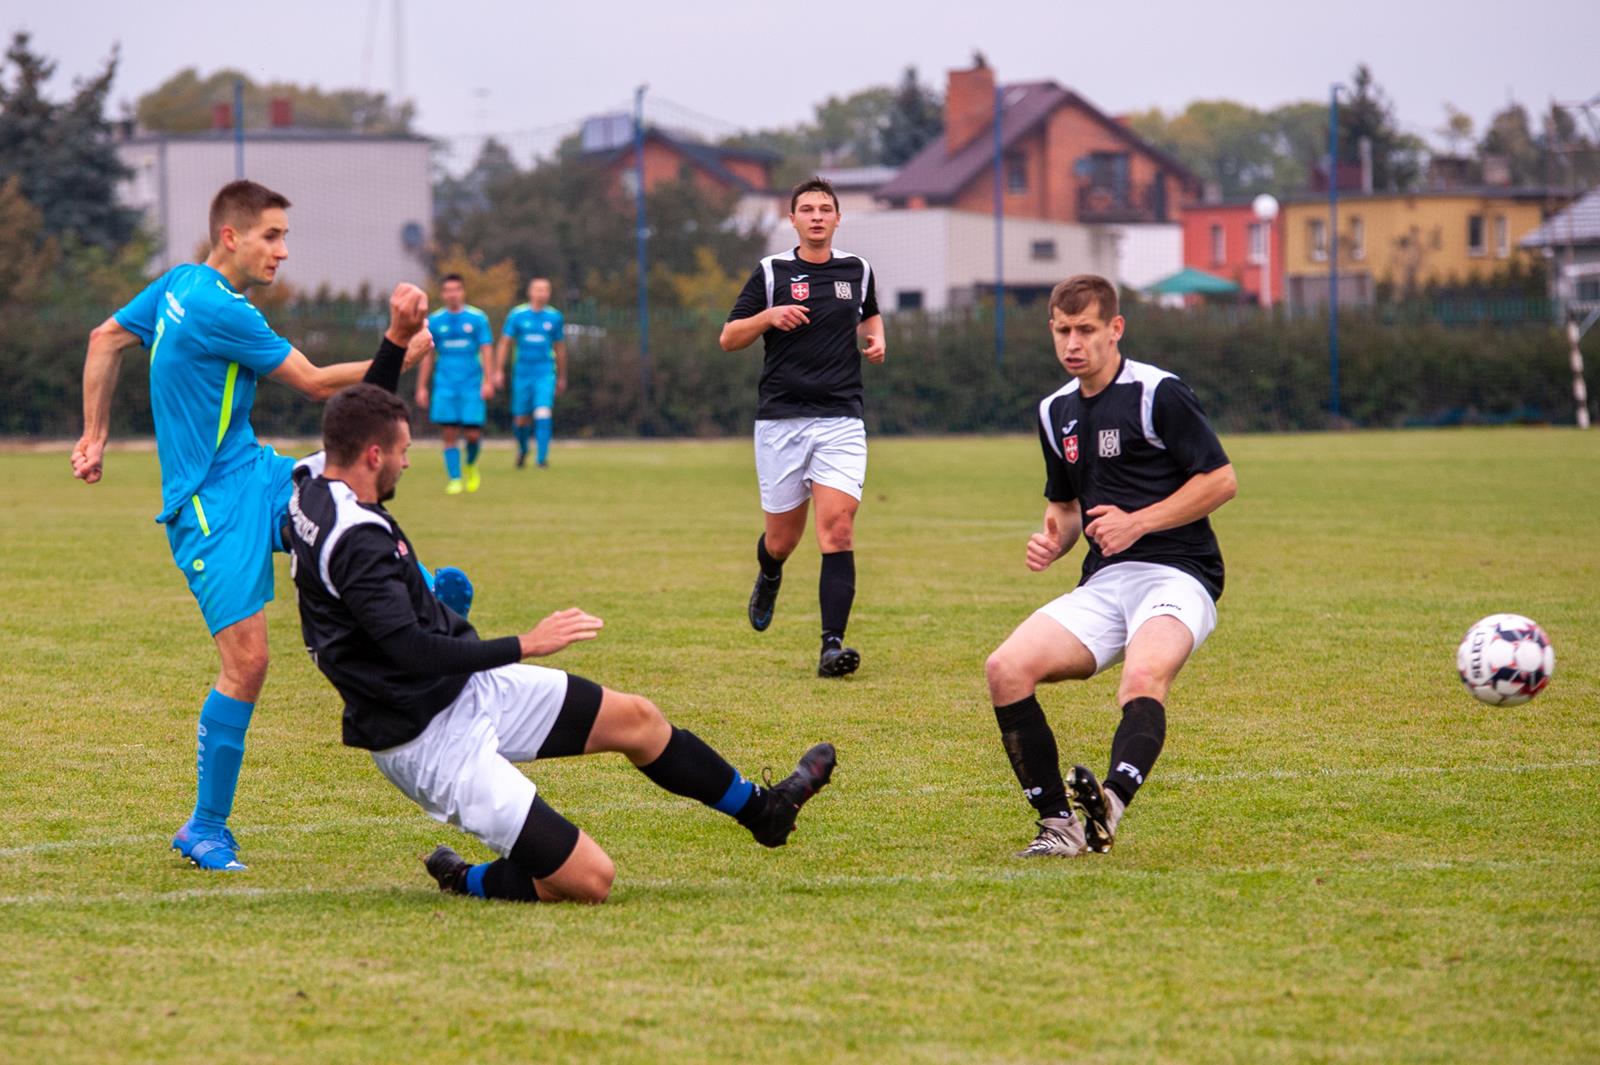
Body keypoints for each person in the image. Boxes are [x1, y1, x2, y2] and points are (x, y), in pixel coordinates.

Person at [287, 384, 837, 903]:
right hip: (427, 740)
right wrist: (525, 643)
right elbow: (410, 650)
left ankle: (764, 812)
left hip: (463, 687)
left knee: (638, 720)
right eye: (404, 450)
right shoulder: (357, 541)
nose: (409, 461)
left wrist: (398, 341)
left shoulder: (315, 481)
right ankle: (466, 878)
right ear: (374, 454)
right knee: (591, 880)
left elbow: (357, 420)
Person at [72, 179, 434, 871]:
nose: (284, 251)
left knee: (350, 492)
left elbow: (105, 337)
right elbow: (319, 383)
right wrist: (397, 351)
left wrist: (94, 436)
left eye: (284, 237)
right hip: (210, 507)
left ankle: (429, 600)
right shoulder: (221, 310)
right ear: (231, 237)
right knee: (248, 662)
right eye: (271, 236)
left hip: (255, 473)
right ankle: (205, 827)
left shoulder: (179, 283)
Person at [983, 275, 1237, 858]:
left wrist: (1140, 521)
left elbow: (1222, 480)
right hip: (1106, 581)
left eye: (1087, 330)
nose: (1074, 343)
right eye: (1063, 331)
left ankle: (1112, 801)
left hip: (1179, 575)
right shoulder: (1055, 412)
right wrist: (1054, 541)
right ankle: (1060, 826)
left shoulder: (1157, 393)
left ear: (1115, 329)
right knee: (1006, 669)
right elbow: (1067, 508)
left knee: (1142, 679)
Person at [720, 176, 885, 678]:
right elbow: (729, 338)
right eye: (807, 209)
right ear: (791, 219)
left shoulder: (857, 269)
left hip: (841, 419)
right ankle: (770, 572)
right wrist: (769, 316)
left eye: (825, 209)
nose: (816, 216)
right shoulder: (772, 271)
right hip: (781, 422)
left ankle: (831, 646)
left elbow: (871, 317)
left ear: (838, 218)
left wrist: (876, 341)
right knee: (782, 541)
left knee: (837, 529)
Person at [414, 274, 494, 494]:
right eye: (448, 290)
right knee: (449, 432)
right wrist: (422, 386)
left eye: (456, 289)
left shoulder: (478, 318)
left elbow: (486, 349)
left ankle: (470, 464)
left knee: (472, 435)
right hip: (445, 385)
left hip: (471, 384)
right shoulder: (435, 321)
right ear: (442, 294)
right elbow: (428, 356)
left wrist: (489, 380)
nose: (452, 294)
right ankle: (455, 478)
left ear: (463, 291)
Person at [495, 278, 567, 469]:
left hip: (544, 372)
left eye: (545, 290)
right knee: (521, 418)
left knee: (543, 412)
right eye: (538, 289)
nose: (542, 293)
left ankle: (541, 459)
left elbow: (560, 348)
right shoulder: (517, 315)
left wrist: (561, 376)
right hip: (522, 373)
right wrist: (498, 370)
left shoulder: (554, 317)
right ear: (530, 292)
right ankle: (523, 448)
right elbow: (505, 343)